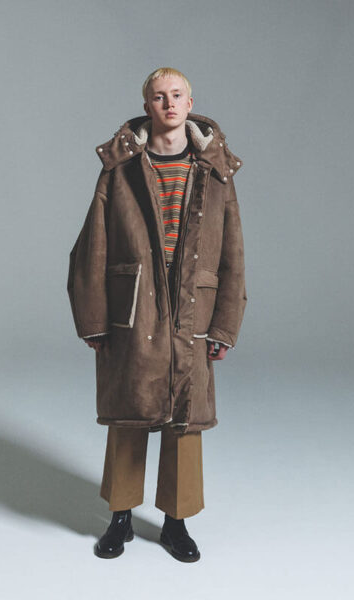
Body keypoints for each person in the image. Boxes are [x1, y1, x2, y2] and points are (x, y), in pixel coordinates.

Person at [67, 67, 247, 562]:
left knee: (184, 418)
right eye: (158, 97)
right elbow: (93, 245)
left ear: (190, 102)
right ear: (147, 105)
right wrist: (94, 319)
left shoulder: (215, 170)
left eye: (176, 95)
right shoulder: (121, 167)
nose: (168, 104)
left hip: (194, 308)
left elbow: (232, 253)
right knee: (130, 409)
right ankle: (120, 517)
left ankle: (176, 523)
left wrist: (225, 325)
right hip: (133, 307)